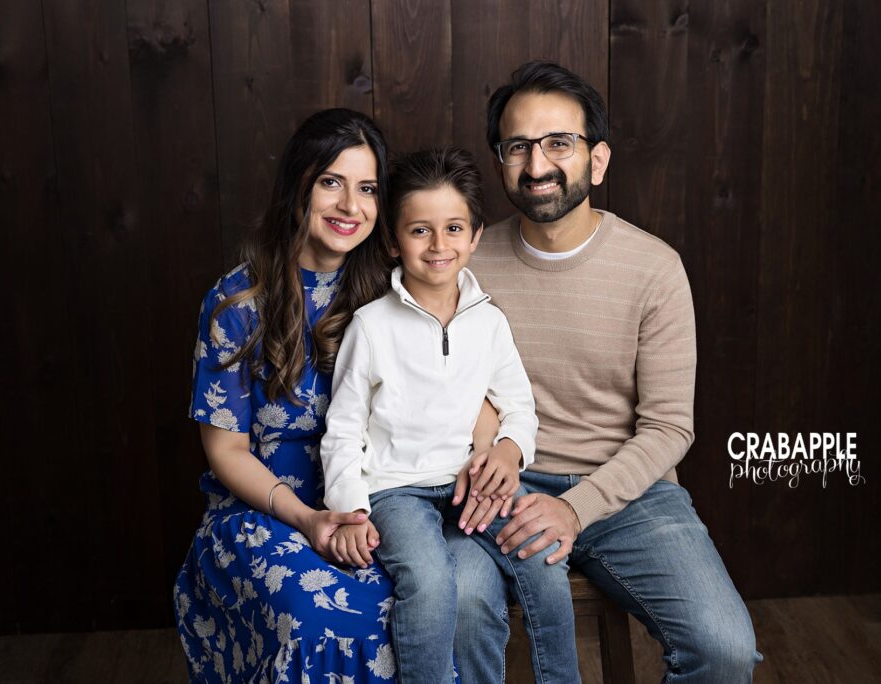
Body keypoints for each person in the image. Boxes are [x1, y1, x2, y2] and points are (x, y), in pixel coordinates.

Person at [460, 61, 762, 681]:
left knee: (724, 648)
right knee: (457, 605)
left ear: (597, 160)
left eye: (559, 144)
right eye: (517, 146)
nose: (537, 164)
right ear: (499, 161)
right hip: (498, 486)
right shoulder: (464, 261)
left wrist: (576, 509)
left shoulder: (654, 268)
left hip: (630, 493)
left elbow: (670, 428)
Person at [319, 148, 581, 684]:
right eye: (420, 231)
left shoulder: (488, 321)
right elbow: (342, 429)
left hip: (470, 485)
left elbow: (519, 408)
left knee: (544, 559)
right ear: (393, 241)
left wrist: (508, 452)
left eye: (454, 228)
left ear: (476, 236)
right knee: (432, 584)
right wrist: (352, 508)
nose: (439, 246)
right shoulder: (370, 327)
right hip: (397, 493)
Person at [173, 108, 400, 683]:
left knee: (419, 602)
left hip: (374, 509)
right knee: (321, 618)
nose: (351, 206)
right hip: (263, 513)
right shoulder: (236, 302)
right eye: (331, 182)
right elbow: (225, 452)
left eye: (367, 188)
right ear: (298, 184)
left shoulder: (394, 297)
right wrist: (307, 519)